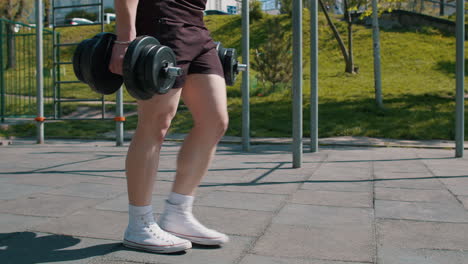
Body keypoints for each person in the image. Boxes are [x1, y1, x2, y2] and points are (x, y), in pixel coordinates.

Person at [109, 0, 229, 254]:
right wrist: (125, 37)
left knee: (215, 120)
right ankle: (139, 224)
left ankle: (178, 213)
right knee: (156, 123)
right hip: (162, 22)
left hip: (197, 25)